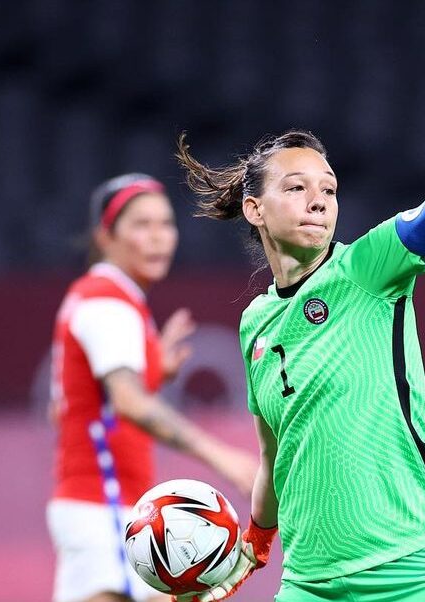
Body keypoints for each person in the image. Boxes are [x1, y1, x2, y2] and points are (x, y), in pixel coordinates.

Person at [174, 34, 425, 602]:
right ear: (254, 209)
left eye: (328, 189)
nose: (319, 200)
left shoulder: (369, 267)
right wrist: (256, 544)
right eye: (297, 187)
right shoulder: (254, 324)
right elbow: (274, 455)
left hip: (415, 568)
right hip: (310, 584)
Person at [47, 173, 259, 602]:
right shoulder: (108, 303)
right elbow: (129, 403)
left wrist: (151, 374)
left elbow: (67, 409)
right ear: (105, 236)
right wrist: (223, 457)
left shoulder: (100, 297)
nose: (158, 237)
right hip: (104, 504)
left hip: (100, 505)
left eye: (165, 223)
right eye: (141, 225)